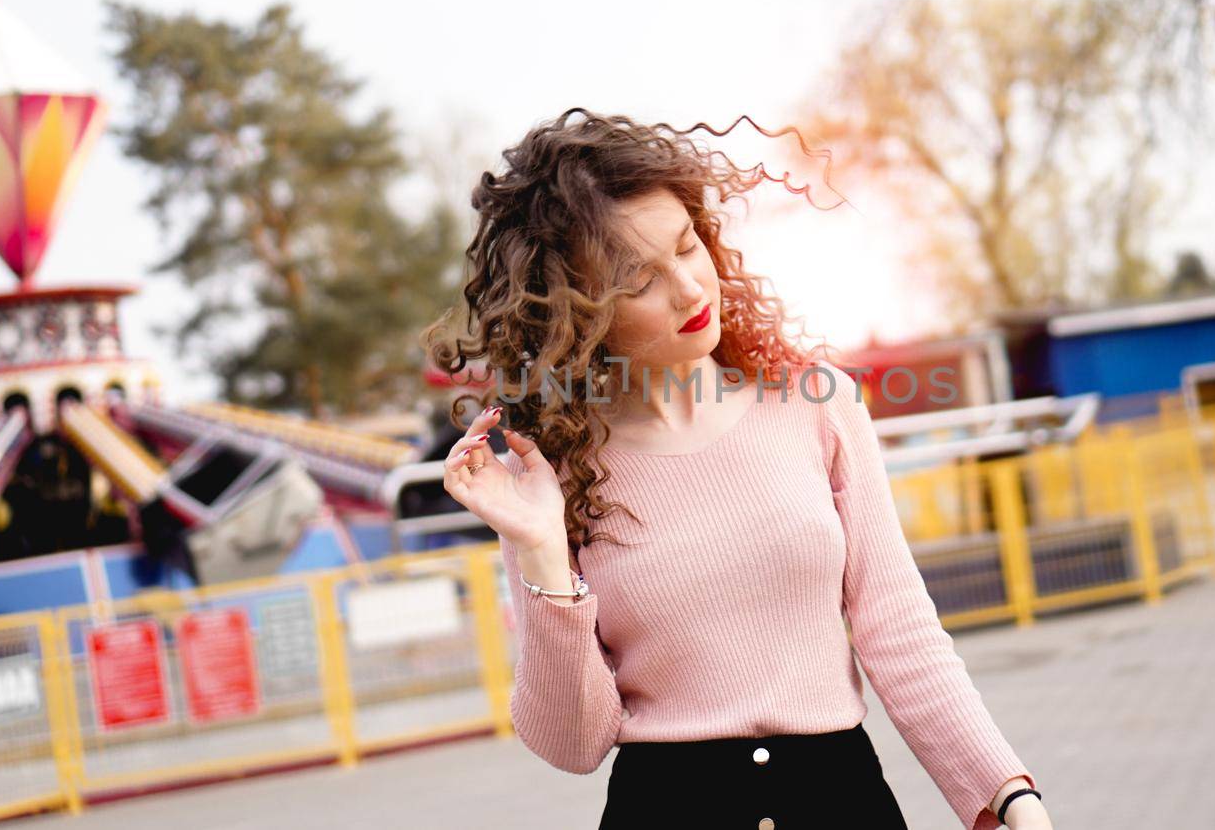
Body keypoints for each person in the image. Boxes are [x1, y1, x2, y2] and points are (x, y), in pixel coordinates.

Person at [424, 108, 1051, 829]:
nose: (690, 289)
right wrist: (541, 549)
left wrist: (1006, 794)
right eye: (638, 281)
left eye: (688, 247)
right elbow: (574, 742)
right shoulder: (548, 474)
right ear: (576, 312)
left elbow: (898, 629)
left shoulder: (815, 404)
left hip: (843, 804)